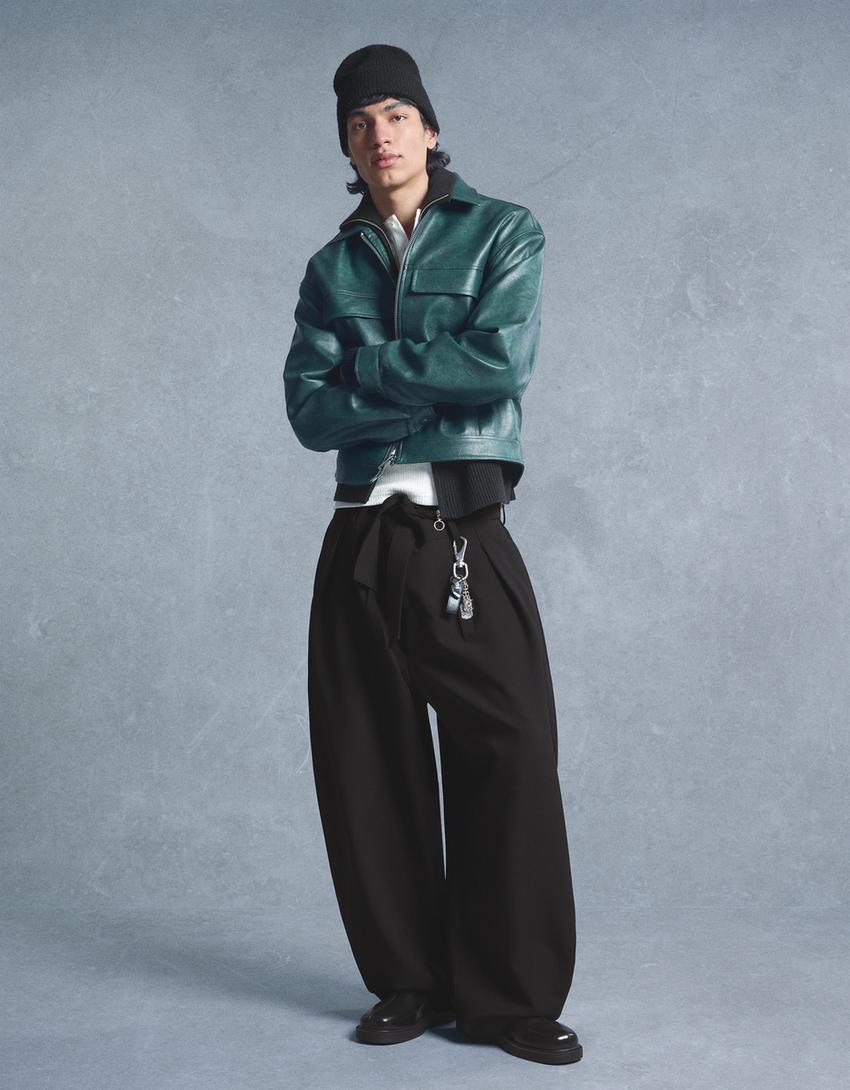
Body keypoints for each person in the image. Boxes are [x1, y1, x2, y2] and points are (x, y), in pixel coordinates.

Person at [283, 43, 583, 1067]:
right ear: (347, 145)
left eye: (397, 115)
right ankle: (409, 981)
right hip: (360, 533)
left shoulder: (503, 230)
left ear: (430, 128)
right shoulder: (330, 268)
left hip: (463, 531)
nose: (380, 135)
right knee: (367, 762)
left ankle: (511, 998)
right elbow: (309, 415)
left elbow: (499, 362)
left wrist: (368, 367)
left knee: (509, 753)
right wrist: (424, 382)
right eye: (360, 122)